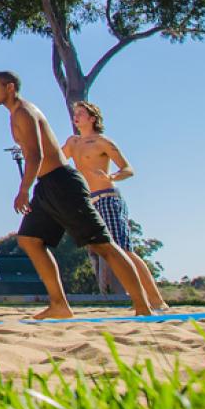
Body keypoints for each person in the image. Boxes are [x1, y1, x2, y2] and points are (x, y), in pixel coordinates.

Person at [0, 70, 152, 318]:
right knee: (30, 239)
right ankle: (59, 305)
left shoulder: (24, 112)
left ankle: (143, 306)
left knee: (103, 245)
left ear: (9, 87)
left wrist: (23, 189)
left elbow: (36, 155)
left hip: (63, 183)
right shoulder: (14, 115)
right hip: (47, 185)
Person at [62, 100, 168, 310]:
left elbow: (128, 169)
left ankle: (156, 299)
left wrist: (112, 176)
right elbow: (56, 159)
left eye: (81, 113)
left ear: (92, 119)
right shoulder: (72, 142)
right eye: (75, 113)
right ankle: (141, 299)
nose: (76, 117)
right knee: (105, 251)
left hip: (107, 197)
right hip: (88, 201)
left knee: (124, 251)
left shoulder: (102, 142)